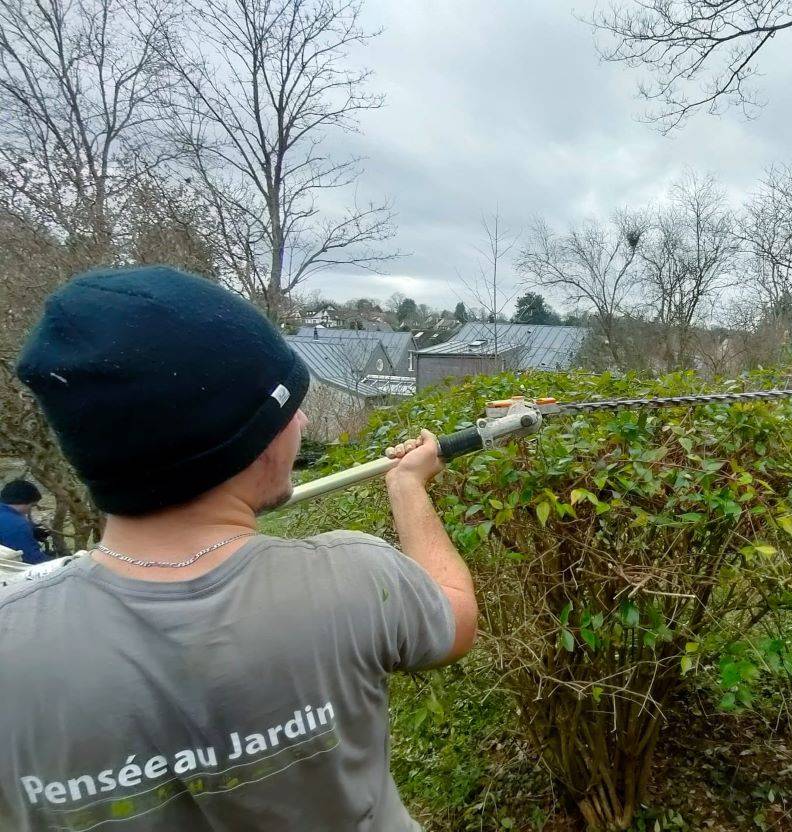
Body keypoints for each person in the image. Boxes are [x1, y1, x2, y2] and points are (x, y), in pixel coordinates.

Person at [0, 266, 478, 831]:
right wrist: (407, 486)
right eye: (288, 407)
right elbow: (455, 615)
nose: (301, 419)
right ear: (249, 442)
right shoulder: (352, 578)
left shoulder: (15, 641)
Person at [0, 479, 49, 565]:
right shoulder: (17, 525)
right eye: (32, 505)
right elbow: (32, 559)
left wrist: (32, 530)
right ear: (23, 502)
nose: (30, 510)